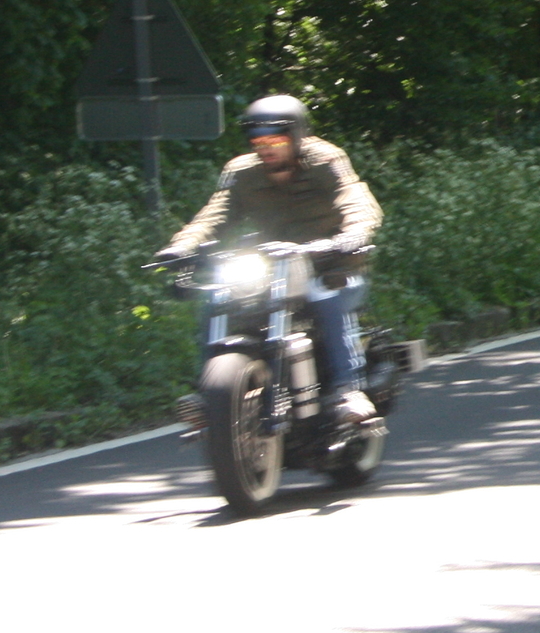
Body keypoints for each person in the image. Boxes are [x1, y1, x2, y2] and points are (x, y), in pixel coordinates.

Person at [157, 94, 385, 424]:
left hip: (330, 262)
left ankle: (347, 389)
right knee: (217, 297)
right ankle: (210, 394)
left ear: (295, 136)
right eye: (257, 140)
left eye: (275, 139)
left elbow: (355, 198)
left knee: (325, 294)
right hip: (273, 268)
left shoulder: (325, 160)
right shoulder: (242, 171)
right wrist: (181, 247)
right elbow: (215, 215)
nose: (265, 147)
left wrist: (354, 235)